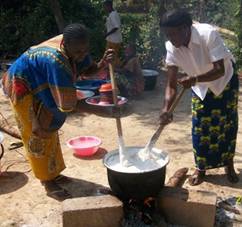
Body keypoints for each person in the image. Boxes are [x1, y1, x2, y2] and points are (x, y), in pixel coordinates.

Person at [2, 23, 114, 200]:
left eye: (85, 50)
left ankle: (53, 173)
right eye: (78, 52)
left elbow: (87, 70)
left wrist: (103, 63)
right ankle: (47, 182)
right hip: (22, 86)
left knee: (50, 131)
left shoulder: (76, 46)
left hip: (40, 83)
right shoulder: (56, 61)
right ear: (65, 43)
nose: (82, 55)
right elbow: (69, 103)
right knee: (36, 134)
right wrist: (103, 111)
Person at [159, 9, 239, 186]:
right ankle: (200, 167)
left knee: (227, 125)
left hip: (224, 82)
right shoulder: (171, 48)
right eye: (167, 34)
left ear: (186, 28)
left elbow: (220, 69)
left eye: (173, 33)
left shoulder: (207, 34)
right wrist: (165, 109)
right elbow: (171, 84)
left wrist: (194, 79)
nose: (171, 38)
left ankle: (229, 164)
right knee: (200, 127)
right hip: (199, 85)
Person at [103, 0, 122, 66]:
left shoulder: (113, 15)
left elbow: (116, 27)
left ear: (109, 6)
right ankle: (116, 70)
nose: (104, 8)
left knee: (111, 57)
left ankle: (114, 71)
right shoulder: (113, 13)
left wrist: (107, 34)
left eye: (104, 6)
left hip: (114, 41)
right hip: (112, 40)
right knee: (111, 57)